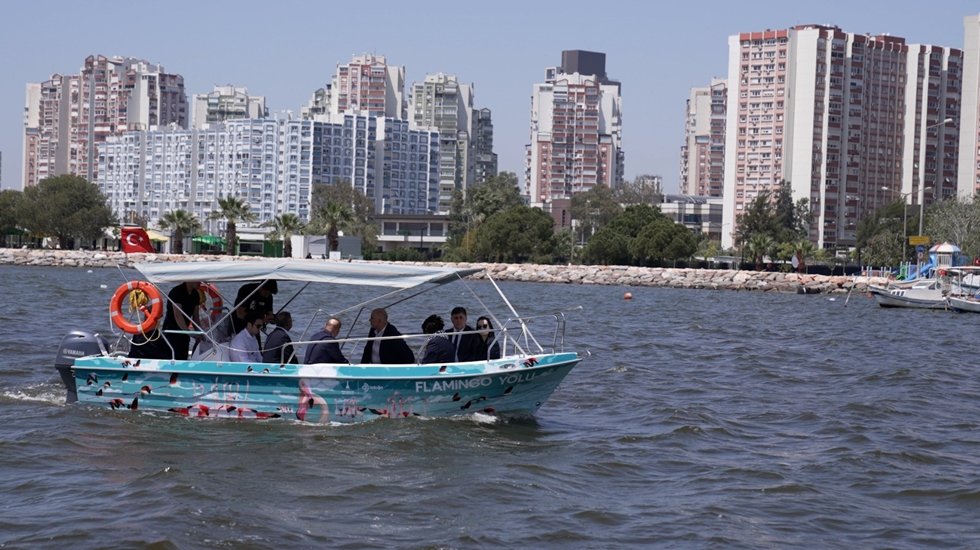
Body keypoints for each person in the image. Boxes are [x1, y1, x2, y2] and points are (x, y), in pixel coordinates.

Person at [161, 281, 202, 360]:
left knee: (183, 357)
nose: (200, 282)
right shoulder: (176, 292)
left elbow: (196, 317)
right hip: (171, 331)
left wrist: (200, 333)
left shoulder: (195, 294)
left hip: (184, 333)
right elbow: (178, 316)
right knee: (173, 356)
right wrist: (189, 332)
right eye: (198, 280)